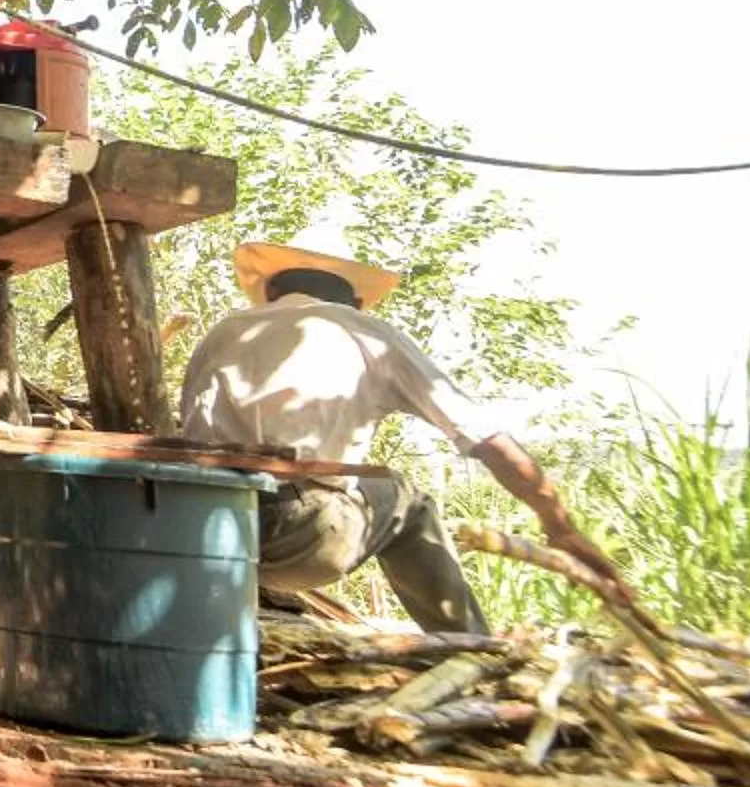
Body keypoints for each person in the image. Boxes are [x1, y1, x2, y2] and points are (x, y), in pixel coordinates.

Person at [178, 241, 628, 633]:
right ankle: (466, 647)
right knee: (410, 502)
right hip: (294, 533)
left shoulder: (225, 332)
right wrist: (557, 523)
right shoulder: (366, 332)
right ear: (356, 301)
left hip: (198, 525)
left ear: (272, 292)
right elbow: (486, 437)